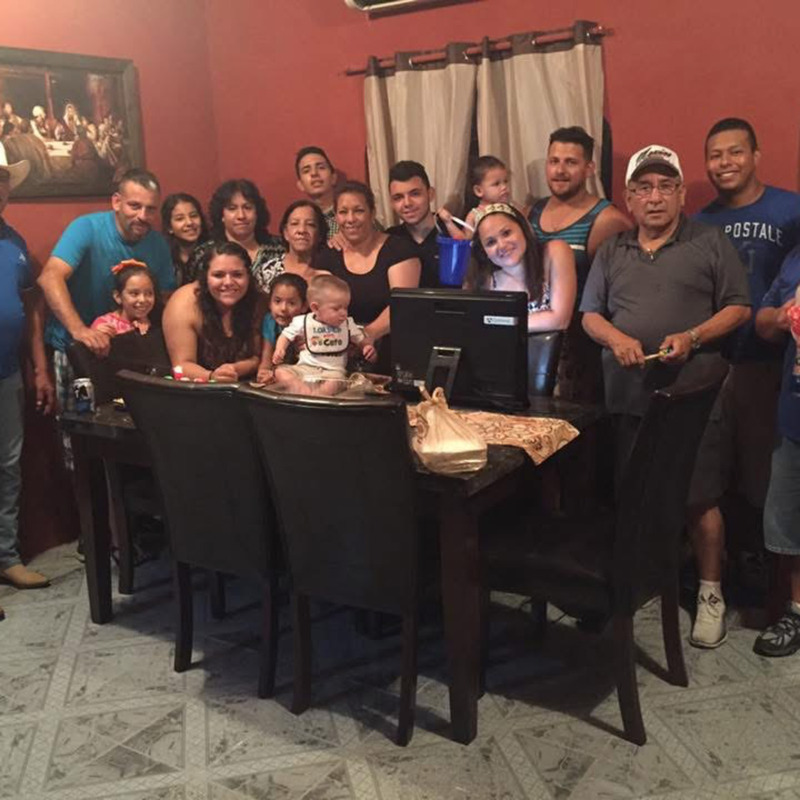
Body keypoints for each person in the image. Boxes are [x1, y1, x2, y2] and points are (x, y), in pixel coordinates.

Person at [580, 144, 751, 648]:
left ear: (680, 194)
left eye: (665, 186)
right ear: (629, 198)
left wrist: (694, 337)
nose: (654, 197)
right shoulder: (613, 250)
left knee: (700, 498)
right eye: (643, 188)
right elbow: (590, 315)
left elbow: (739, 307)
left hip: (694, 398)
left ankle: (711, 592)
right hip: (629, 398)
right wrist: (617, 339)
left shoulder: (709, 241)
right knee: (635, 495)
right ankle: (642, 582)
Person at [692, 118, 800, 596]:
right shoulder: (701, 222)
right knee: (715, 468)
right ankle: (721, 564)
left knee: (763, 472)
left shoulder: (790, 210)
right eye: (715, 155)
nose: (724, 163)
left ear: (756, 155)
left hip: (767, 363)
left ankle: (763, 573)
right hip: (713, 361)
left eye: (735, 152)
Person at [38, 168, 175, 410]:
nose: (143, 216)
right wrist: (80, 330)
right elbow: (50, 277)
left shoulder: (158, 244)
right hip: (76, 351)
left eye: (151, 209)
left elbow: (165, 298)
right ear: (117, 202)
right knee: (79, 422)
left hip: (126, 352)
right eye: (135, 206)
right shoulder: (86, 227)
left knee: (125, 421)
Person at [528, 127, 633, 402]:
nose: (560, 170)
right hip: (535, 340)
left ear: (589, 168)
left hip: (581, 349)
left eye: (571, 162)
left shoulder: (607, 220)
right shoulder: (533, 212)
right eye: (554, 161)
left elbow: (623, 293)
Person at [0, 146, 54, 605]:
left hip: (7, 372)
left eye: (2, 178)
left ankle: (6, 556)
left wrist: (40, 368)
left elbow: (32, 310)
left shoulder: (14, 242)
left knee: (8, 466)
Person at [314, 181, 421, 373]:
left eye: (359, 211)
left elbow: (403, 304)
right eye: (343, 212)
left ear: (372, 213)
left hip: (392, 354)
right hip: (338, 357)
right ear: (336, 217)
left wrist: (367, 334)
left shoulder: (398, 249)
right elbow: (321, 308)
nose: (350, 219)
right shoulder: (327, 256)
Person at [752, 248, 800, 656]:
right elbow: (762, 321)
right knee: (789, 522)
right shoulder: (794, 259)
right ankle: (796, 611)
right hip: (794, 415)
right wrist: (781, 318)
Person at [465, 203, 576, 333]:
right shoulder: (482, 280)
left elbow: (560, 320)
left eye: (506, 233)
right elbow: (473, 326)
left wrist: (499, 324)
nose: (502, 245)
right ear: (484, 251)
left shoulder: (555, 251)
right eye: (491, 242)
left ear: (523, 229)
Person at [162, 240, 261, 382]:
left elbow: (258, 357)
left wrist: (235, 369)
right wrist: (212, 377)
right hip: (196, 387)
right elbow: (181, 365)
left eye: (237, 275)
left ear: (248, 277)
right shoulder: (183, 303)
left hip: (247, 384)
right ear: (205, 277)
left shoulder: (259, 301)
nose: (228, 282)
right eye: (218, 275)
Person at [272, 274, 376, 395]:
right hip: (304, 369)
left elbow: (362, 340)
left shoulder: (348, 324)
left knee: (336, 382)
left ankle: (316, 396)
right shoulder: (302, 322)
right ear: (316, 308)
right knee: (280, 372)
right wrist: (280, 349)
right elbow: (285, 336)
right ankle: (302, 390)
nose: (343, 313)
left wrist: (367, 347)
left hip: (333, 373)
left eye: (346, 308)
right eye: (336, 309)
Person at [189, 179, 284, 293]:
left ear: (257, 213)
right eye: (232, 208)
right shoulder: (203, 254)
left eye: (247, 207)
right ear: (221, 215)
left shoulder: (280, 248)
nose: (241, 216)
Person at [385, 160, 441, 288]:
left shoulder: (454, 233)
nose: (407, 203)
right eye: (398, 197)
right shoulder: (388, 240)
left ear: (430, 194)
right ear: (391, 203)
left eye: (415, 194)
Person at [253, 200, 329, 292]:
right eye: (294, 224)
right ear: (285, 232)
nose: (301, 230)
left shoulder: (328, 273)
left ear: (320, 234)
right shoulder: (266, 271)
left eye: (310, 224)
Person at [439, 155, 514, 240]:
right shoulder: (474, 215)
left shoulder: (511, 209)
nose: (504, 187)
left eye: (505, 181)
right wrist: (448, 222)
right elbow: (464, 239)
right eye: (496, 184)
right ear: (479, 191)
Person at [257, 272, 308, 383]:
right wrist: (264, 373)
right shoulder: (270, 321)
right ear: (269, 303)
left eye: (291, 303)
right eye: (277, 301)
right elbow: (266, 359)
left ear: (304, 306)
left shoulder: (309, 324)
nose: (283, 308)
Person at [90, 259, 156, 337]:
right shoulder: (105, 325)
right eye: (135, 294)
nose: (143, 299)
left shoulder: (157, 321)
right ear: (118, 296)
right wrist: (98, 336)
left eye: (149, 293)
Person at [161, 193, 209, 286]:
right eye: (180, 219)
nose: (189, 222)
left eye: (193, 216)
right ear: (169, 227)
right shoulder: (163, 255)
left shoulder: (214, 252)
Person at [295, 146, 339, 238]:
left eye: (321, 168)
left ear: (333, 177)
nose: (314, 173)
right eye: (306, 171)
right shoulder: (299, 225)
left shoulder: (349, 217)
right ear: (300, 185)